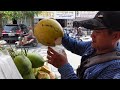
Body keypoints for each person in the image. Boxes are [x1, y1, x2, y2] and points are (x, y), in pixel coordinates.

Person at [47, 11, 120, 79]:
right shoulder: (94, 47)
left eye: (97, 32)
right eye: (93, 30)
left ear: (115, 36)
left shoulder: (115, 69)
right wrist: (58, 31)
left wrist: (63, 66)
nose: (92, 35)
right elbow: (75, 45)